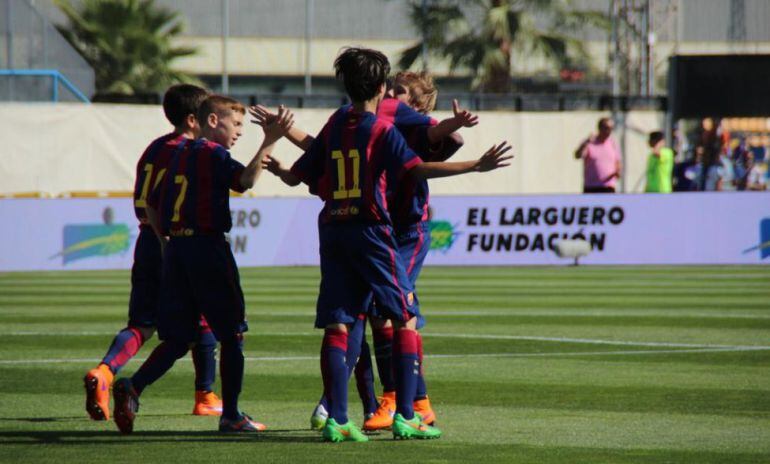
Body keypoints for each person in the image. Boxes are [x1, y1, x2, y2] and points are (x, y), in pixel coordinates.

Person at [257, 47, 511, 442]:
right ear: (380, 87)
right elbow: (417, 168)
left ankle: (338, 419)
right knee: (404, 314)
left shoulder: (337, 121)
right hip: (372, 232)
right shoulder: (381, 129)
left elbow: (296, 178)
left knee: (340, 320)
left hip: (332, 229)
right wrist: (476, 165)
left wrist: (278, 161)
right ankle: (408, 414)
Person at [110, 95, 294, 434]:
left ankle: (133, 387)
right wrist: (269, 141)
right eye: (235, 124)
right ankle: (232, 415)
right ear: (212, 121)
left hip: (178, 251)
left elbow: (150, 203)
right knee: (233, 334)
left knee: (179, 339)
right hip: (207, 249)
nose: (239, 132)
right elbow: (245, 182)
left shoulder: (179, 153)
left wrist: (166, 243)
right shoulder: (213, 154)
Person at [83, 84, 223, 422]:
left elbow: (144, 199)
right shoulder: (191, 152)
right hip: (176, 243)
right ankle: (205, 395)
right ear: (193, 119)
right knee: (205, 319)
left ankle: (104, 372)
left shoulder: (154, 148)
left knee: (141, 323)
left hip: (147, 239)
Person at [574, 117, 622, 193]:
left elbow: (617, 161)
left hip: (608, 186)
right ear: (600, 128)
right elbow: (577, 155)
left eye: (611, 128)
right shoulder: (590, 143)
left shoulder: (613, 143)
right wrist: (585, 143)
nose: (609, 131)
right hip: (591, 187)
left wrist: (618, 171)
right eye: (606, 128)